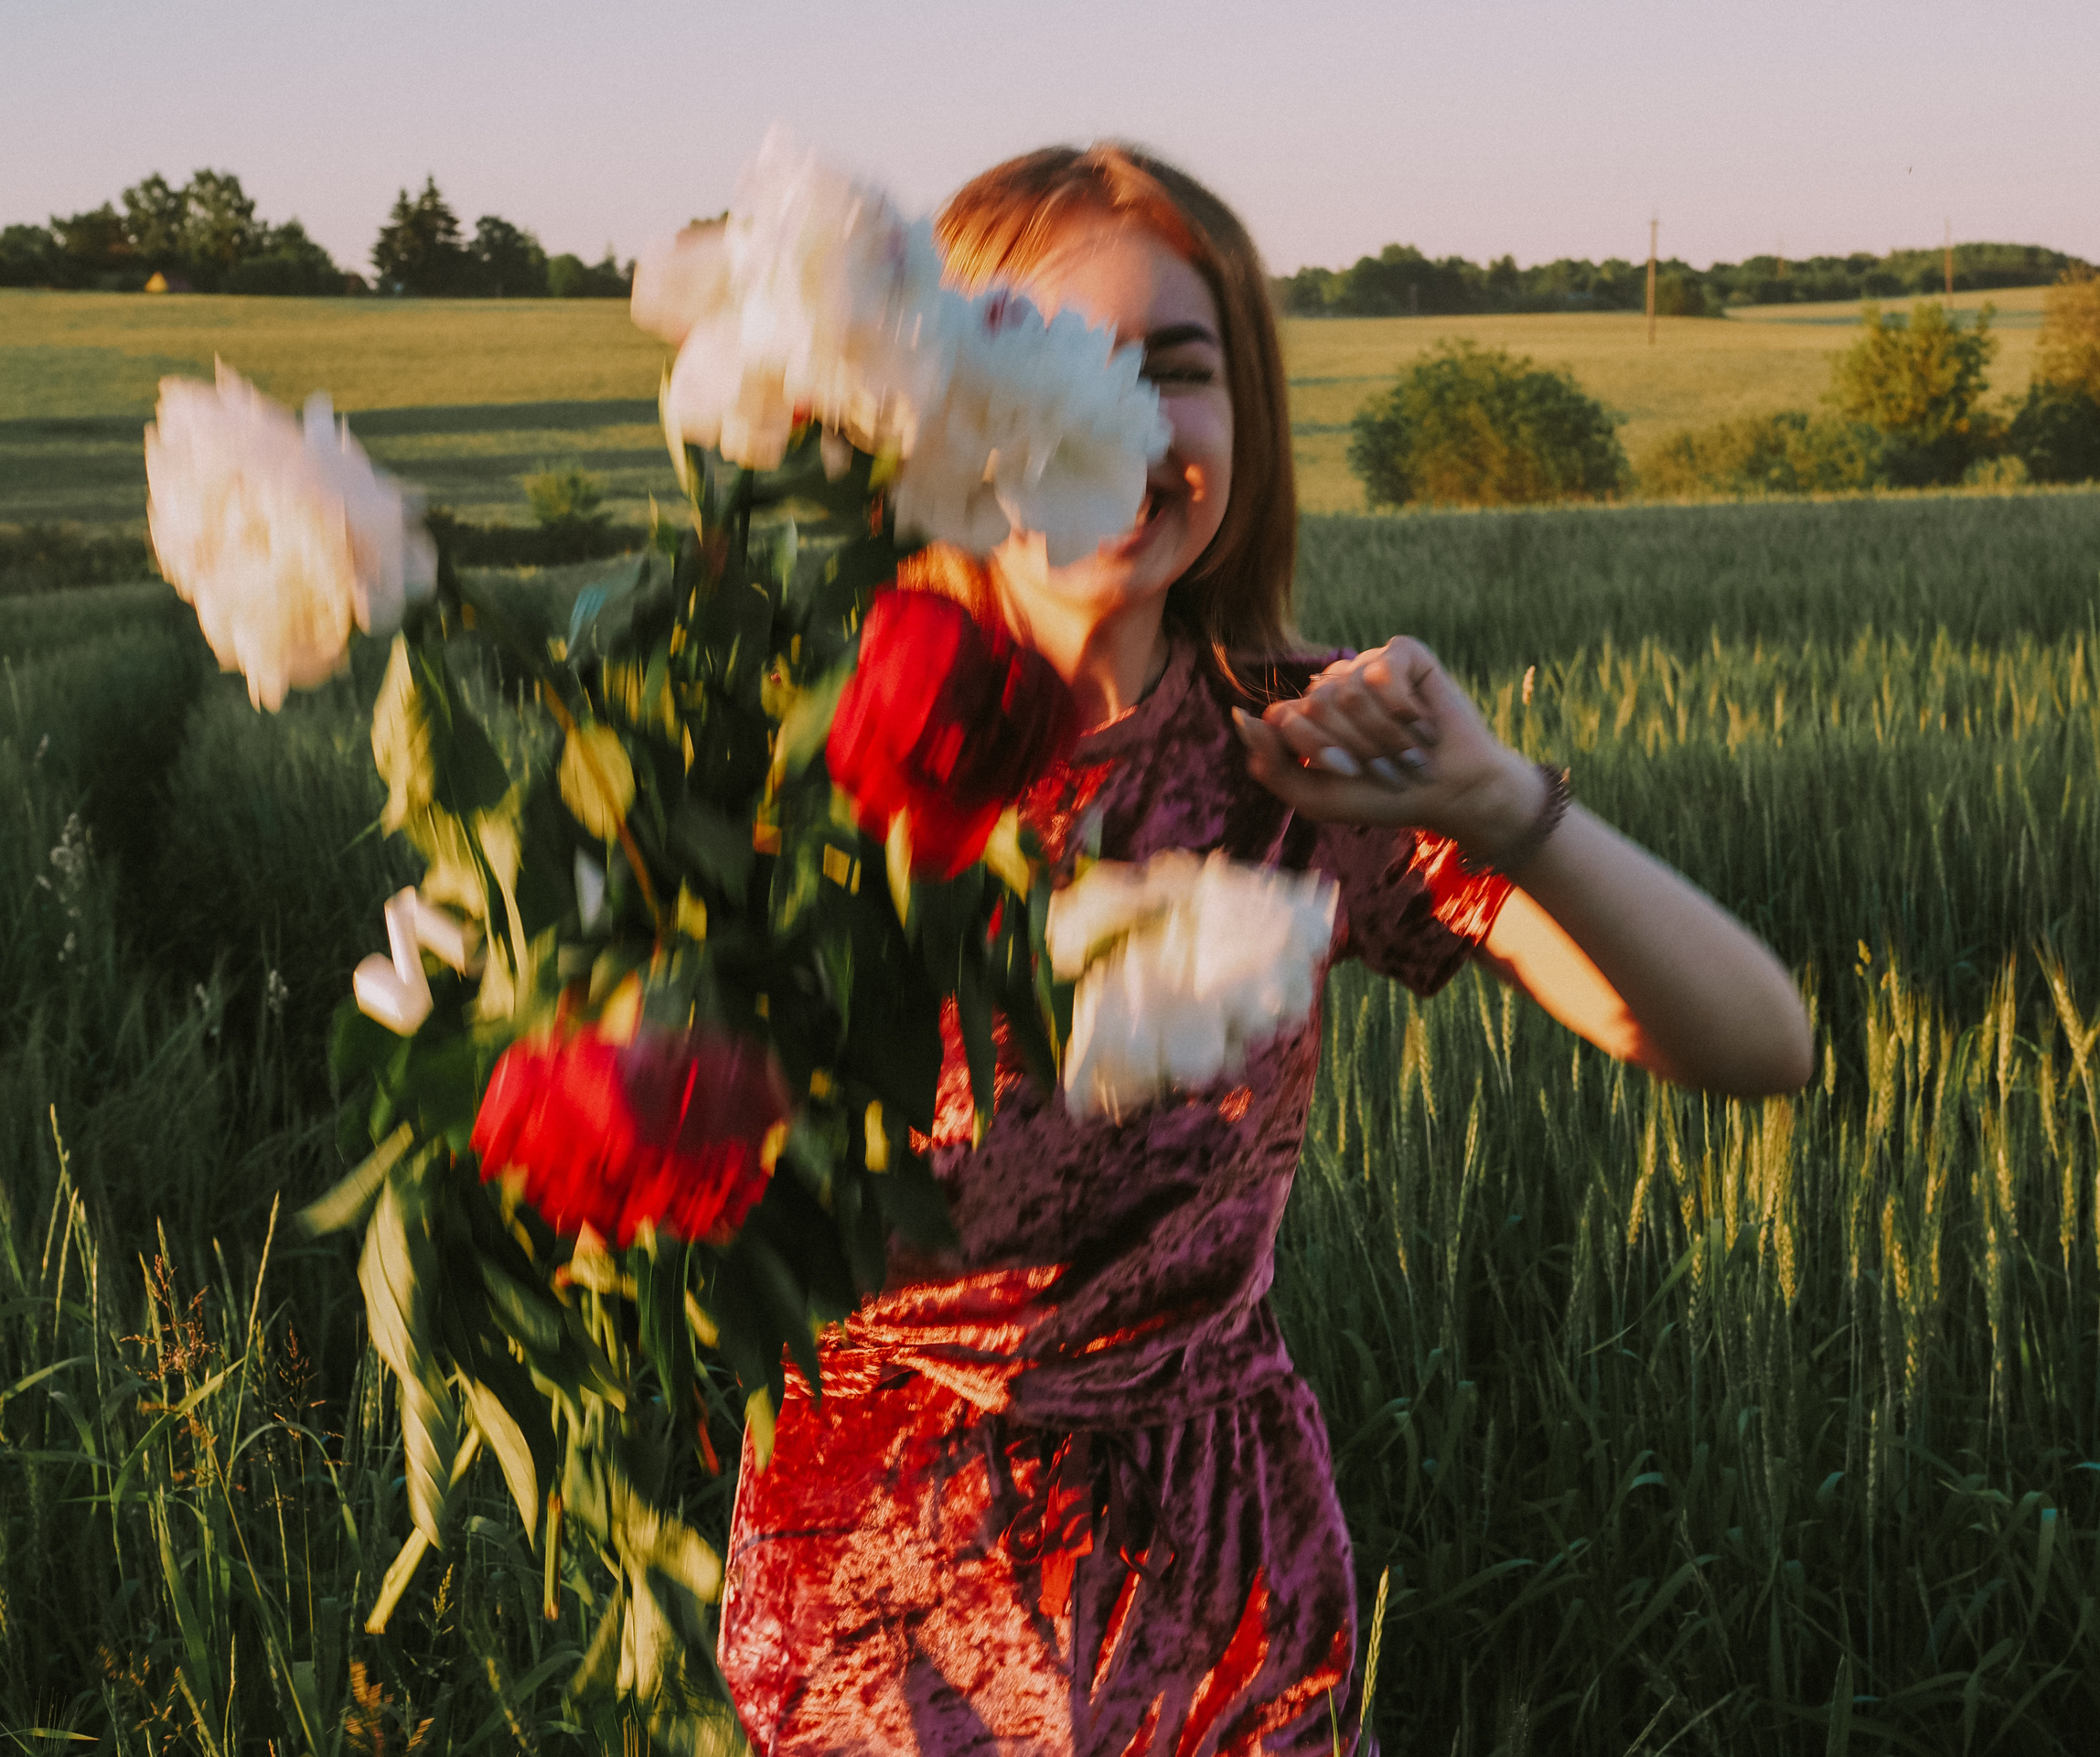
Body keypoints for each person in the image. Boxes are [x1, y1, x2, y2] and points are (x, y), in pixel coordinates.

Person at [718, 144, 1812, 1757]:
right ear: (924, 401)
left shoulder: (1298, 752)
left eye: (1178, 369)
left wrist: (1498, 798)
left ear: (1247, 426)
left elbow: (1757, 1040)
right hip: (876, 1607)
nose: (1121, 424)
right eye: (1044, 361)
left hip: (1221, 1598)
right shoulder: (777, 769)